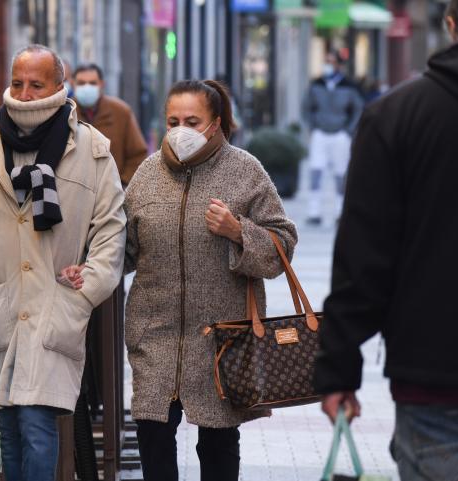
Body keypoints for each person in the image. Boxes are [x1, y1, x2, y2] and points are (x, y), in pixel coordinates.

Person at [0, 44, 126, 481]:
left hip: (56, 303)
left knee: (35, 422)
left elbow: (111, 228)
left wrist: (89, 285)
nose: (26, 94)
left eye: (36, 84)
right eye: (18, 83)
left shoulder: (90, 150)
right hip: (2, 305)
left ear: (59, 86)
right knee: (8, 428)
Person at [313, 1, 458, 479]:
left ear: (451, 25)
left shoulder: (398, 115)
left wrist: (338, 367)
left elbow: (364, 257)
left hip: (437, 376)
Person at [124, 79, 297, 481]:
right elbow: (123, 249)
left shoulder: (245, 171)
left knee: (218, 444)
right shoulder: (148, 174)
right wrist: (85, 264)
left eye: (192, 121)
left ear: (215, 123)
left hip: (222, 339)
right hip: (155, 334)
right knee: (153, 435)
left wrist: (239, 231)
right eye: (173, 121)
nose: (180, 130)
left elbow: (283, 246)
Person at [301, 51, 364, 226]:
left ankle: (340, 212)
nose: (327, 65)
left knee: (340, 174)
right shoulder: (316, 84)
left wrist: (348, 130)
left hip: (340, 135)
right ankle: (314, 212)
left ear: (339, 65)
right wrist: (313, 126)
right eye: (326, 61)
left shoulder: (349, 86)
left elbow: (358, 109)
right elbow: (306, 107)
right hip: (320, 133)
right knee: (315, 171)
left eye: (331, 62)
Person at [74, 63, 148, 187]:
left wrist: (122, 185)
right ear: (73, 84)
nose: (87, 88)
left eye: (92, 83)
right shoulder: (66, 113)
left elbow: (138, 155)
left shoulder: (121, 112)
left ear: (102, 84)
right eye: (81, 83)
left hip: (114, 191)